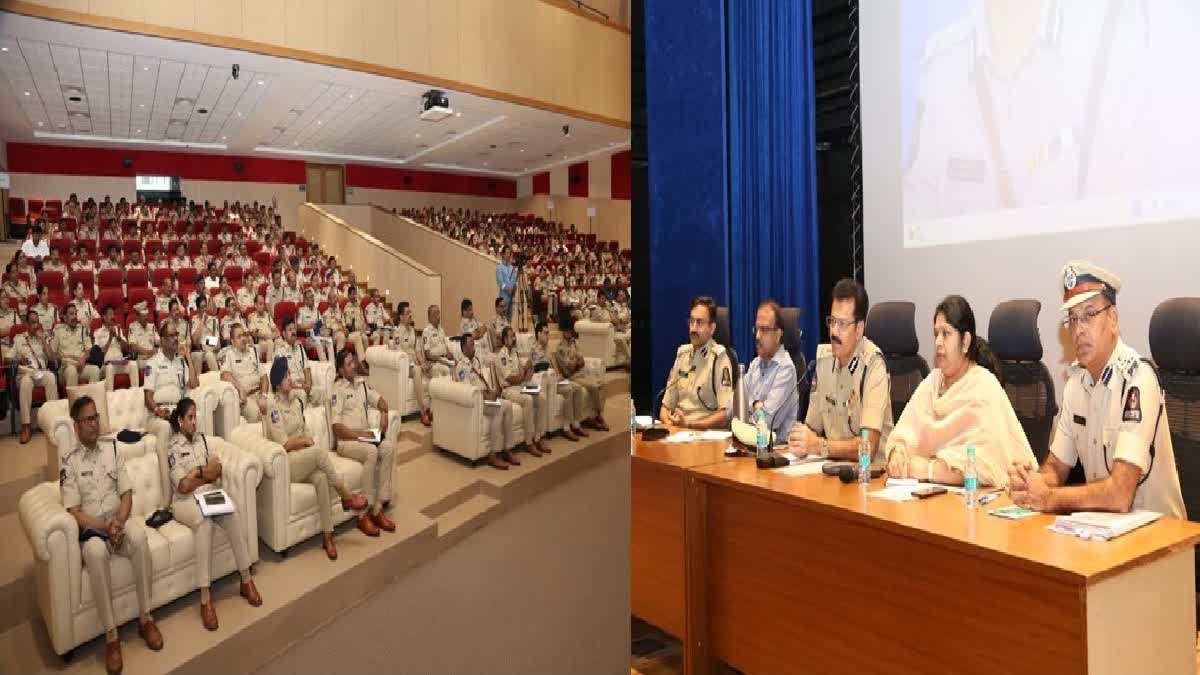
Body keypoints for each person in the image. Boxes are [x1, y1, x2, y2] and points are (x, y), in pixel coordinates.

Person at [1008, 262, 1185, 517]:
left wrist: (1049, 498)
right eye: (1072, 319)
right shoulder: (1076, 384)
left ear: (1113, 318)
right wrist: (1031, 484)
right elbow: (1056, 468)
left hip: (1160, 538)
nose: (1078, 329)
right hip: (1104, 530)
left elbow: (1120, 494)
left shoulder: (1137, 380)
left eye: (1089, 315)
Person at [884, 295, 1036, 487]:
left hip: (975, 504)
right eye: (935, 334)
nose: (938, 342)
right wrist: (897, 453)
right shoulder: (932, 382)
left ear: (965, 341)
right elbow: (903, 435)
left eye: (946, 333)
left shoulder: (984, 387)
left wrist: (930, 470)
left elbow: (986, 467)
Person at [61, 395, 163, 673]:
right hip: (94, 529)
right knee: (94, 552)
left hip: (117, 520)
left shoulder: (112, 449)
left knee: (140, 538)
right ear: (76, 425)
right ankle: (111, 636)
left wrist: (118, 522)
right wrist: (105, 528)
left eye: (96, 417)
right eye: (87, 419)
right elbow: (75, 513)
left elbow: (126, 493)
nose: (94, 424)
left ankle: (145, 618)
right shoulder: (69, 462)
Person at [165, 398, 262, 630]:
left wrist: (198, 474)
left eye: (195, 416)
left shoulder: (203, 440)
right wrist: (202, 472)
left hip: (207, 494)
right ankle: (205, 598)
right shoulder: (173, 447)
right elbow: (183, 486)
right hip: (185, 502)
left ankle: (246, 579)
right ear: (180, 421)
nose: (194, 421)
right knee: (204, 521)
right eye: (189, 417)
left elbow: (216, 471)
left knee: (231, 513)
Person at [263, 357, 368, 560]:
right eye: (286, 376)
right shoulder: (272, 407)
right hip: (289, 463)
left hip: (303, 457)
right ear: (277, 382)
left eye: (289, 374)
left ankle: (328, 536)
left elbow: (307, 430)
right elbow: (285, 443)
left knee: (321, 478)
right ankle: (346, 495)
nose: (290, 378)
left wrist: (305, 440)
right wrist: (304, 441)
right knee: (320, 453)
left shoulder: (296, 402)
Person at [789, 279, 894, 462]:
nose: (833, 332)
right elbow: (812, 428)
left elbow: (868, 447)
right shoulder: (823, 360)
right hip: (831, 471)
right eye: (832, 321)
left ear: (859, 328)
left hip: (869, 476)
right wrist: (802, 441)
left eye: (843, 324)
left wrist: (820, 446)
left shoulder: (873, 365)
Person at [329, 349, 396, 536]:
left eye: (354, 362)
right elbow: (337, 428)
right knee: (372, 452)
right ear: (341, 370)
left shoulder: (362, 385)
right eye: (349, 364)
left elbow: (381, 401)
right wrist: (361, 435)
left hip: (365, 437)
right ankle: (362, 514)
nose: (354, 366)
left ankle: (378, 507)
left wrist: (383, 414)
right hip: (346, 441)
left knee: (388, 448)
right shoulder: (337, 390)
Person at [660, 296, 733, 430]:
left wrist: (690, 424)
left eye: (699, 323)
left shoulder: (719, 359)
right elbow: (665, 407)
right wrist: (669, 424)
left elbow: (724, 415)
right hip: (679, 434)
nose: (693, 328)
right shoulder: (682, 355)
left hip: (704, 435)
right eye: (691, 322)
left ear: (712, 328)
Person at [455, 333, 517, 470]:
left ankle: (507, 449)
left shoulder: (476, 361)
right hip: (476, 403)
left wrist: (492, 393)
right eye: (471, 344)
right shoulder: (461, 367)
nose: (474, 347)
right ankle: (493, 454)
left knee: (507, 406)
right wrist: (485, 396)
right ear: (464, 348)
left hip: (486, 397)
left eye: (474, 344)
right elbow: (466, 391)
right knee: (498, 409)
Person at [740, 300, 799, 442]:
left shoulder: (786, 368)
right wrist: (756, 405)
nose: (757, 336)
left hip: (777, 451)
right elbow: (732, 410)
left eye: (764, 330)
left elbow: (767, 421)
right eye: (756, 329)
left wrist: (749, 405)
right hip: (750, 444)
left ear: (778, 335)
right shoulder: (755, 364)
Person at [144, 322, 200, 456]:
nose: (176, 338)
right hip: (157, 416)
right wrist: (158, 411)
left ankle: (197, 459)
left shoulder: (180, 361)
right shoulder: (153, 362)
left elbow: (194, 384)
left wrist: (187, 357)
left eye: (176, 334)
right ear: (162, 340)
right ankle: (166, 473)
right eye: (171, 335)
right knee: (165, 427)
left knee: (194, 420)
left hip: (177, 412)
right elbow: (147, 398)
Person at [494, 326, 549, 456]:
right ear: (504, 339)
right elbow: (510, 378)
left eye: (514, 336)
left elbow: (521, 372)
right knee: (528, 399)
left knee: (541, 396)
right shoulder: (501, 355)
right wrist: (523, 376)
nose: (514, 338)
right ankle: (529, 442)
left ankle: (538, 437)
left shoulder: (515, 352)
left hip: (520, 386)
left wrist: (527, 369)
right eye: (511, 336)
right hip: (508, 390)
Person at [554, 312, 609, 431]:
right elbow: (569, 368)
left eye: (570, 330)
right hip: (573, 377)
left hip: (582, 374)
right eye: (567, 330)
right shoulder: (560, 348)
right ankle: (599, 415)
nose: (569, 333)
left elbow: (582, 361)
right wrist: (576, 362)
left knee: (603, 384)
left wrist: (576, 362)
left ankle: (594, 415)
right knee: (594, 386)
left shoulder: (574, 342)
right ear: (563, 332)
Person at [385, 301, 433, 427]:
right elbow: (400, 355)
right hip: (406, 367)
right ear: (401, 316)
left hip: (415, 363)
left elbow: (417, 351)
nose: (410, 315)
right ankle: (423, 413)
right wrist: (417, 365)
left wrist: (423, 362)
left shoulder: (412, 331)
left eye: (410, 312)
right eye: (407, 313)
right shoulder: (397, 333)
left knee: (435, 370)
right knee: (417, 371)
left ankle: (433, 409)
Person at [16, 308, 59, 443]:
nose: (36, 326)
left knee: (51, 377)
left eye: (37, 323)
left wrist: (44, 341)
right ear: (27, 325)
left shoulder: (43, 338)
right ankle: (26, 426)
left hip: (41, 373)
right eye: (33, 323)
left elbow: (52, 359)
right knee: (26, 382)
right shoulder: (19, 339)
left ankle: (52, 420)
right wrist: (18, 360)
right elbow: (7, 358)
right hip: (26, 373)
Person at [221, 324, 268, 422]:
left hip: (260, 393)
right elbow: (224, 375)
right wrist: (240, 388)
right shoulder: (230, 355)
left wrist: (264, 396)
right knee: (255, 413)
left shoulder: (253, 351)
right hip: (246, 398)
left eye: (244, 335)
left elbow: (264, 377)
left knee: (273, 407)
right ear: (233, 341)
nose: (243, 338)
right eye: (239, 337)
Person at [273, 317, 322, 404]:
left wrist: (308, 383)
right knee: (302, 394)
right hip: (291, 389)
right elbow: (283, 380)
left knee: (321, 392)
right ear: (284, 333)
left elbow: (306, 368)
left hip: (303, 385)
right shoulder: (280, 351)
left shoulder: (299, 347)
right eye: (290, 330)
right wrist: (301, 388)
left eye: (294, 329)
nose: (293, 332)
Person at [51, 302, 100, 388]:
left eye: (75, 314)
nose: (74, 317)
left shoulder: (82, 329)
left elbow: (89, 350)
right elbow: (53, 353)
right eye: (71, 314)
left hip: (80, 365)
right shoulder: (58, 330)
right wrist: (65, 358)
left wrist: (83, 359)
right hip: (65, 368)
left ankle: (91, 398)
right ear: (65, 318)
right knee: (71, 371)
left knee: (95, 370)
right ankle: (73, 400)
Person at [94, 304, 141, 391]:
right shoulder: (98, 332)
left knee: (134, 364)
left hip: (120, 363)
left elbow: (127, 349)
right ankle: (110, 395)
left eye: (113, 314)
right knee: (109, 368)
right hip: (107, 364)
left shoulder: (118, 330)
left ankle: (136, 393)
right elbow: (98, 354)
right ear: (104, 317)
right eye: (110, 314)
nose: (113, 316)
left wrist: (118, 337)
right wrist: (110, 339)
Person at [190, 295, 221, 373]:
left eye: (205, 306)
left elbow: (218, 344)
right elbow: (194, 341)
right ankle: (197, 382)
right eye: (201, 307)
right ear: (197, 309)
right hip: (198, 351)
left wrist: (203, 342)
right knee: (197, 355)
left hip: (211, 350)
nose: (204, 309)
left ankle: (217, 380)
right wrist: (202, 321)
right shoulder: (194, 320)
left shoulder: (214, 320)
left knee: (209, 355)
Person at [421, 304, 455, 373]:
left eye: (438, 313)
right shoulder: (426, 331)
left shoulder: (441, 330)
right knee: (447, 370)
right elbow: (428, 355)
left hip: (444, 359)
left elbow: (446, 347)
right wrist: (440, 360)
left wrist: (452, 356)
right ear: (429, 317)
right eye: (435, 313)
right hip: (434, 362)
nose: (438, 316)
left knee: (458, 366)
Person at [496, 249, 517, 322]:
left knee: (509, 319)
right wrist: (508, 290)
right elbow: (501, 283)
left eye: (509, 253)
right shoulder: (499, 267)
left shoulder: (512, 267)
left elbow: (514, 280)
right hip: (504, 297)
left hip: (512, 297)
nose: (509, 255)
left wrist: (514, 288)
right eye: (507, 253)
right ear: (503, 254)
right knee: (502, 319)